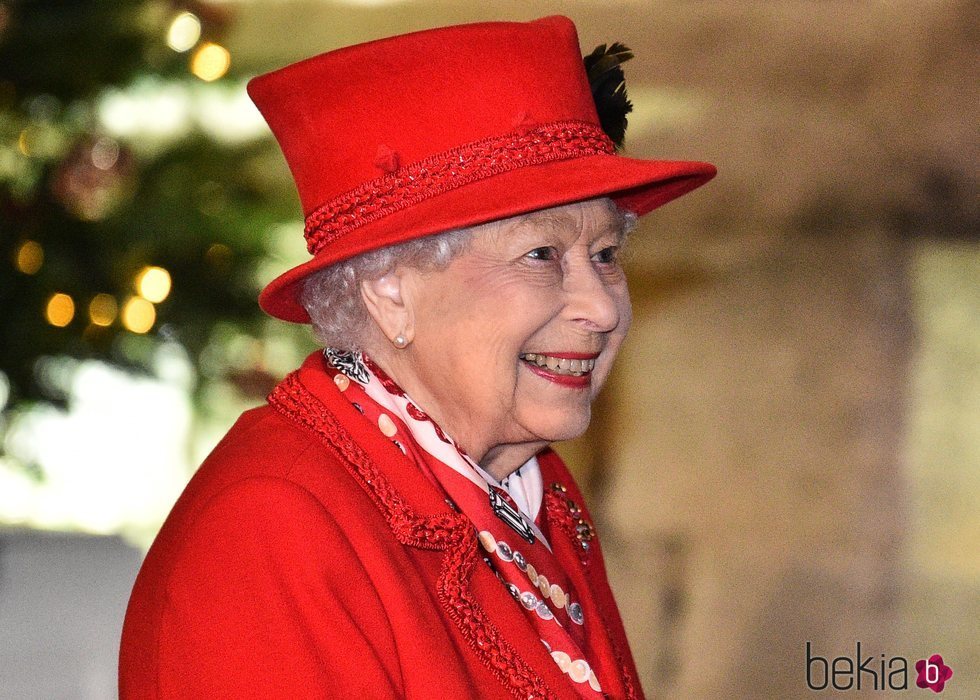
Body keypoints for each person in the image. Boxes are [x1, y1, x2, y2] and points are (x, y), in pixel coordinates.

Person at [119, 15, 714, 700]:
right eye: (541, 255)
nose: (604, 308)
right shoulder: (269, 534)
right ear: (389, 293)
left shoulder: (528, 488)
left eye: (606, 255)